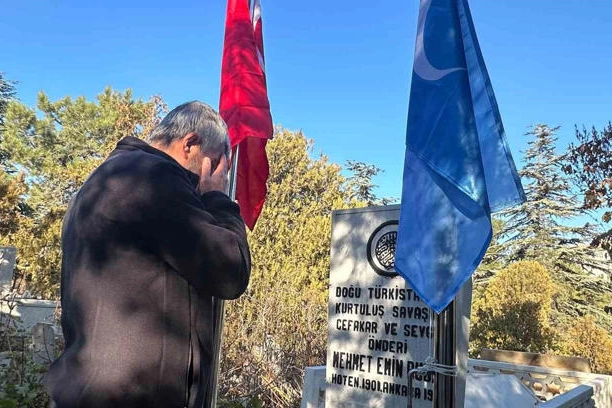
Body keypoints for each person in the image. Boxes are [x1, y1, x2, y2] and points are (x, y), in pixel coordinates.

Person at [45, 101, 251, 408]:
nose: (217, 175)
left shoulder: (106, 178)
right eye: (217, 163)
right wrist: (218, 199)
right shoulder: (156, 178)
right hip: (132, 397)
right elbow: (229, 271)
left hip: (89, 391)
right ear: (190, 144)